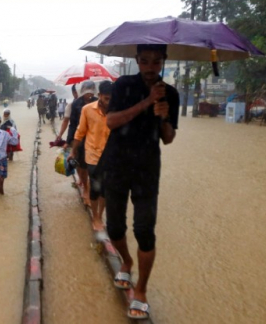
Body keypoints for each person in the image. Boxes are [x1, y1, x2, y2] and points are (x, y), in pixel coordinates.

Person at [101, 44, 179, 320]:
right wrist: (146, 102)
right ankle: (126, 260)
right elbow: (111, 122)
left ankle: (142, 290)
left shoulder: (170, 94)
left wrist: (163, 117)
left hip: (147, 168)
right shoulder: (123, 85)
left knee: (145, 230)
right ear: (137, 61)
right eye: (144, 61)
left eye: (156, 62)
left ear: (163, 63)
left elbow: (168, 138)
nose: (150, 67)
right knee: (114, 227)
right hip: (117, 164)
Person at [69, 81, 112, 231]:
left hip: (110, 156)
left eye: (112, 99)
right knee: (96, 186)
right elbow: (80, 131)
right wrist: (73, 150)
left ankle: (100, 214)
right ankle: (96, 217)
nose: (109, 102)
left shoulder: (117, 110)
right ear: (99, 96)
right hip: (92, 154)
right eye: (106, 98)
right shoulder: (87, 110)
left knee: (105, 189)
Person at [66, 81, 98, 206]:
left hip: (95, 138)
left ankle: (90, 187)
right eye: (87, 90)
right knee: (82, 165)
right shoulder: (76, 104)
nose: (89, 94)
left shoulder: (99, 102)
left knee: (94, 166)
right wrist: (70, 141)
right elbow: (73, 124)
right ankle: (86, 187)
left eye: (91, 90)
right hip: (80, 138)